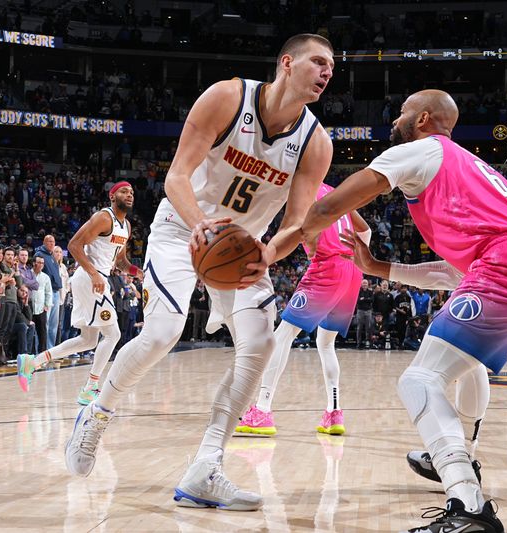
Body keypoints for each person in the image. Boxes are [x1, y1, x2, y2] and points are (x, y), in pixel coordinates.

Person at [65, 33, 335, 511]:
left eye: (332, 66)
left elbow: (296, 221)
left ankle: (206, 466)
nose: (327, 71)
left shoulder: (316, 142)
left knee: (261, 344)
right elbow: (176, 175)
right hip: (180, 229)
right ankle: (96, 413)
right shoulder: (228, 96)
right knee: (163, 331)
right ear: (287, 63)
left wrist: (269, 254)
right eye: (318, 62)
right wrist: (200, 226)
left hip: (242, 250)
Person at [300, 89, 507, 532]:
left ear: (422, 118)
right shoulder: (468, 167)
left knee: (420, 379)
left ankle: (468, 505)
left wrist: (291, 236)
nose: (396, 119)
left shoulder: (422, 149)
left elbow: (335, 204)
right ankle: (461, 456)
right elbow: (448, 274)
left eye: (403, 112)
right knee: (466, 364)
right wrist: (376, 266)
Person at [235, 183, 366, 436]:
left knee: (283, 335)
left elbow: (300, 228)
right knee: (325, 343)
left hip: (328, 266)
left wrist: (311, 245)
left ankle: (262, 410)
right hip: (352, 269)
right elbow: (366, 230)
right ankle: (334, 413)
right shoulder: (336, 191)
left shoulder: (303, 188)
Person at [17, 182, 140, 406]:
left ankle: (32, 363)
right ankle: (90, 387)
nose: (129, 195)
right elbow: (74, 245)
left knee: (89, 339)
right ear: (112, 196)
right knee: (113, 335)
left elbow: (120, 261)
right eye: (124, 191)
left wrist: (137, 272)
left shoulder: (126, 226)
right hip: (90, 278)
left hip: (96, 278)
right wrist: (94, 274)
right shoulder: (104, 217)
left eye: (131, 192)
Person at [35, 235, 62, 349]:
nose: (52, 244)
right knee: (43, 324)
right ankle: (40, 349)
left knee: (53, 325)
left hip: (56, 293)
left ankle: (50, 350)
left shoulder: (52, 256)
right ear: (44, 242)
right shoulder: (39, 255)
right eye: (49, 241)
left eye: (53, 242)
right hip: (46, 293)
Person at [29, 255, 52, 350]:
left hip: (41, 308)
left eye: (42, 263)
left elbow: (48, 292)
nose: (41, 265)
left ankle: (42, 353)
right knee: (31, 332)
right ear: (34, 263)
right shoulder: (28, 274)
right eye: (39, 262)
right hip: (29, 307)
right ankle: (31, 353)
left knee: (42, 332)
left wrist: (47, 305)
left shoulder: (45, 277)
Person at [354, 278, 373, 349]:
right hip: (360, 311)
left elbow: (371, 300)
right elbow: (358, 300)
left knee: (368, 327)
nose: (365, 285)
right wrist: (366, 299)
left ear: (368, 285)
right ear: (361, 284)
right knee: (359, 327)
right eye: (363, 283)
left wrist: (363, 299)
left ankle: (367, 343)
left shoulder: (370, 292)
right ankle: (358, 343)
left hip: (368, 311)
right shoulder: (358, 291)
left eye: (366, 283)